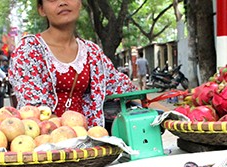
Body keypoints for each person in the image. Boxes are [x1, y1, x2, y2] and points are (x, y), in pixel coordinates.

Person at [9, 0, 136, 128]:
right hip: (44, 140)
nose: (62, 2)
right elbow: (33, 108)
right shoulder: (29, 50)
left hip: (88, 140)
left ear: (80, 3)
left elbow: (119, 85)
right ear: (42, 9)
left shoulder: (91, 51)